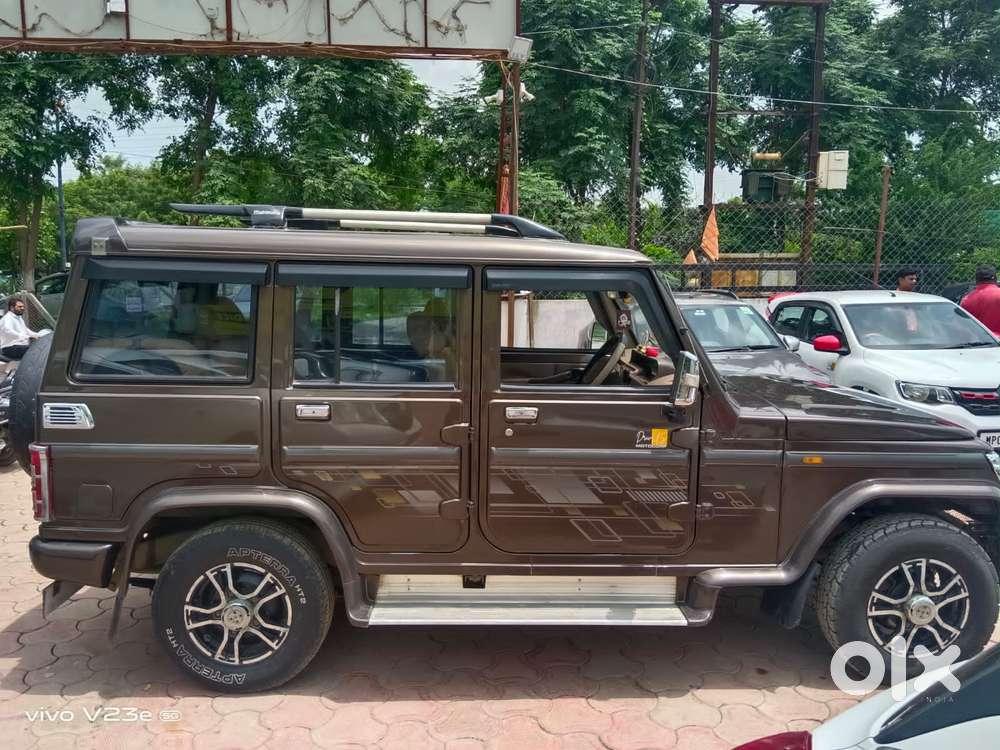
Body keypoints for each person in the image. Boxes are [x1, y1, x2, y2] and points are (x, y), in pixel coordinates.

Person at [960, 265, 1000, 335]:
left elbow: (964, 327)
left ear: (976, 279)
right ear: (995, 278)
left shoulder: (966, 299)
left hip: (979, 343)